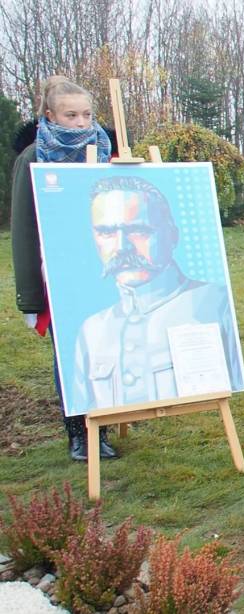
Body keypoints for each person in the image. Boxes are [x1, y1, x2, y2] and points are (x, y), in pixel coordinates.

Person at [70, 176, 244, 412]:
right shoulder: (92, 330)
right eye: (107, 232)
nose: (122, 247)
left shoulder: (215, 304)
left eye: (138, 230)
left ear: (173, 235)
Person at [11, 75, 115, 461]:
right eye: (71, 115)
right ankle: (79, 431)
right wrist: (31, 297)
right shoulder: (33, 159)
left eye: (87, 115)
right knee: (72, 353)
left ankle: (103, 425)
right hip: (58, 275)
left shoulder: (105, 154)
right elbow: (24, 232)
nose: (80, 123)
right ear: (51, 115)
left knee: (106, 348)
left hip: (104, 270)